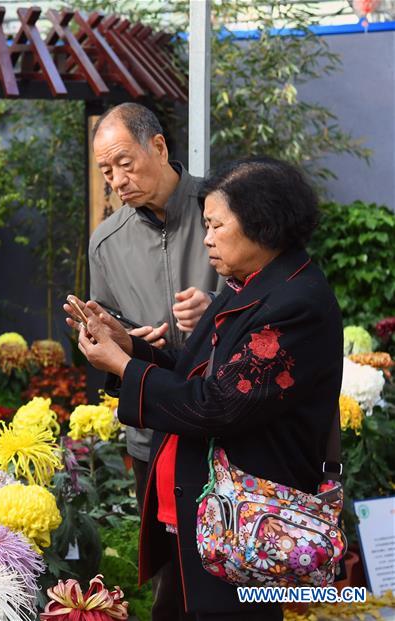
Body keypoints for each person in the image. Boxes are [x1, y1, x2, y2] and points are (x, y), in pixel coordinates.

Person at [67, 157, 344, 620]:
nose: (208, 238)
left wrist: (122, 365)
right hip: (202, 508)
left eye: (216, 225)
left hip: (247, 521)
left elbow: (217, 404)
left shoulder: (298, 304)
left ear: (263, 226)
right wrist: (129, 348)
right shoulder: (248, 286)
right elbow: (196, 372)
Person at [89, 102, 221, 510]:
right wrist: (118, 342)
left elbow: (271, 300)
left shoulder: (222, 210)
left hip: (228, 421)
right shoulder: (106, 241)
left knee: (234, 559)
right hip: (153, 431)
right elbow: (105, 328)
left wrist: (214, 309)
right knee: (165, 569)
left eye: (125, 163)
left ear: (159, 147)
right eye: (107, 172)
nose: (118, 181)